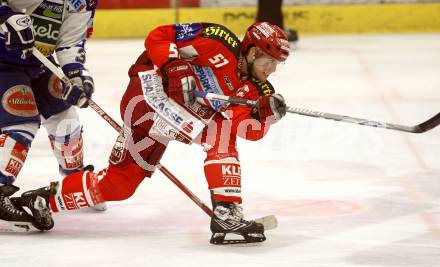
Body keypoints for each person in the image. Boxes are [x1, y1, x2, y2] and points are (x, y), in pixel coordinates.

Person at [11, 21, 290, 244]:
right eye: (269, 61)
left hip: (177, 118)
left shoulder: (258, 91)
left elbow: (248, 131)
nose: (272, 70)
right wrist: (173, 65)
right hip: (145, 99)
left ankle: (43, 200)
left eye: (277, 65)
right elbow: (159, 35)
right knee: (220, 130)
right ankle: (227, 212)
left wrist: (263, 115)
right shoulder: (216, 39)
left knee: (119, 185)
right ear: (253, 52)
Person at [0, 0, 98, 230]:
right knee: (22, 121)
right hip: (2, 62)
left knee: (66, 118)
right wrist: (3, 16)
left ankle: (74, 178)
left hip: (38, 63)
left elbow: (70, 41)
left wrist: (75, 74)